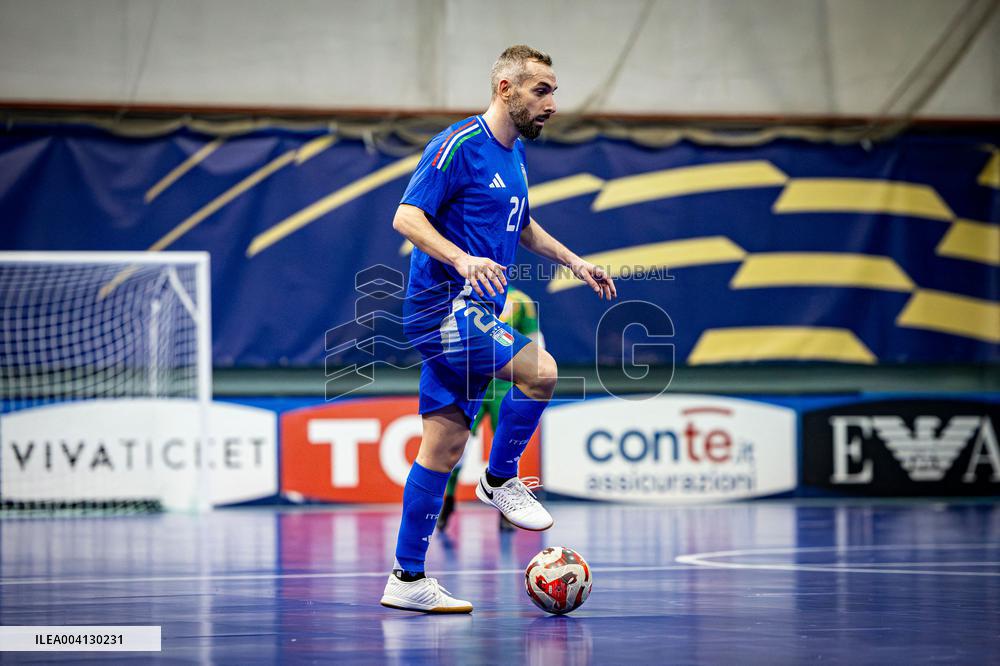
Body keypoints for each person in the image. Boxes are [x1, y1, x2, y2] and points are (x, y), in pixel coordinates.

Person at [380, 45, 617, 614]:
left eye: (555, 92)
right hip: (443, 308)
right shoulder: (459, 145)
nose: (553, 104)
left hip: (473, 312)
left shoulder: (513, 158)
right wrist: (462, 260)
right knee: (542, 373)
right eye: (542, 91)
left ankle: (407, 579)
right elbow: (406, 216)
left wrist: (577, 263)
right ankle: (500, 479)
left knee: (442, 447)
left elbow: (523, 224)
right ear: (505, 88)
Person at [436, 287, 542, 534]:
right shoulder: (461, 296)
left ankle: (508, 511)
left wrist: (530, 377)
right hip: (469, 381)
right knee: (455, 447)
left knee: (507, 446)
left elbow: (535, 343)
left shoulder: (521, 301)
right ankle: (446, 503)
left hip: (504, 384)